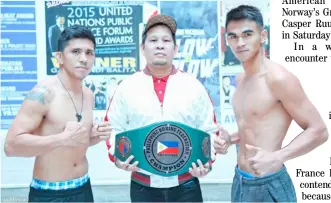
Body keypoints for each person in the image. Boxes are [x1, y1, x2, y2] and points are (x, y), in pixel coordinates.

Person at [214, 5, 329, 202]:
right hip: (240, 181)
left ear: (263, 36)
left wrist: (278, 156)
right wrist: (230, 140)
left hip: (268, 185)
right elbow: (255, 128)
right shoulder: (242, 79)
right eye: (233, 36)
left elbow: (319, 131)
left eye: (247, 34)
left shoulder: (279, 79)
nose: (240, 42)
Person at [105, 14, 220, 202]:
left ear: (175, 49)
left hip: (187, 184)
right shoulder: (127, 87)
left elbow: (209, 130)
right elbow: (113, 128)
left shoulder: (194, 86)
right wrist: (118, 157)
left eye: (166, 40)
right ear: (143, 48)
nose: (160, 45)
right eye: (153, 40)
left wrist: (207, 162)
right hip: (143, 185)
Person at [4, 25, 111, 202]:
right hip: (50, 193)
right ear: (60, 57)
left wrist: (93, 136)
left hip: (84, 188)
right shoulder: (43, 93)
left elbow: (74, 143)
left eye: (89, 53)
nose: (83, 59)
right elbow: (11, 146)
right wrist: (62, 138)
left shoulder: (88, 95)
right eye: (75, 51)